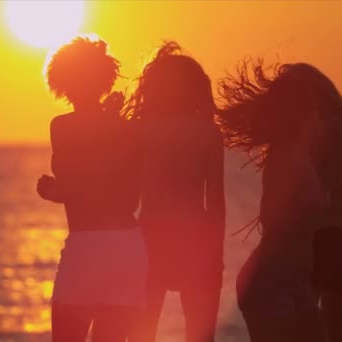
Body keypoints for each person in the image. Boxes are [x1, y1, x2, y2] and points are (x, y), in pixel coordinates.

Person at [36, 35, 147, 342]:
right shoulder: (126, 127)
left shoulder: (62, 126)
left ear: (62, 81)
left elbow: (73, 187)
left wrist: (50, 190)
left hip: (88, 245)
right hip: (128, 246)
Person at [217, 60, 334, 342]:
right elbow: (271, 218)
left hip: (297, 280)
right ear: (303, 114)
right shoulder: (286, 157)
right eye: (317, 109)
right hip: (270, 281)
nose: (321, 117)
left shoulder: (300, 155)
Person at [127, 42, 226, 342]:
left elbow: (127, 197)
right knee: (199, 335)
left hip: (149, 238)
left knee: (141, 334)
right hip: (196, 240)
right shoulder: (208, 133)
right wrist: (216, 252)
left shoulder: (140, 131)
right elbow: (217, 202)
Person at [281, 63, 342, 342]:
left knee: (298, 331)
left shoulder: (310, 130)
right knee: (339, 335)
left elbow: (305, 190)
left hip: (314, 238)